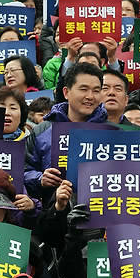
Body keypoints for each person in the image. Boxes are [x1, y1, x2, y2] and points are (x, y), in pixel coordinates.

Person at [24, 62, 107, 204]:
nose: (90, 96)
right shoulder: (43, 130)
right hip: (54, 215)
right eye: (84, 89)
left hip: (101, 215)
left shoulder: (111, 130)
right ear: (66, 92)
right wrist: (40, 179)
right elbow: (23, 171)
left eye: (96, 90)